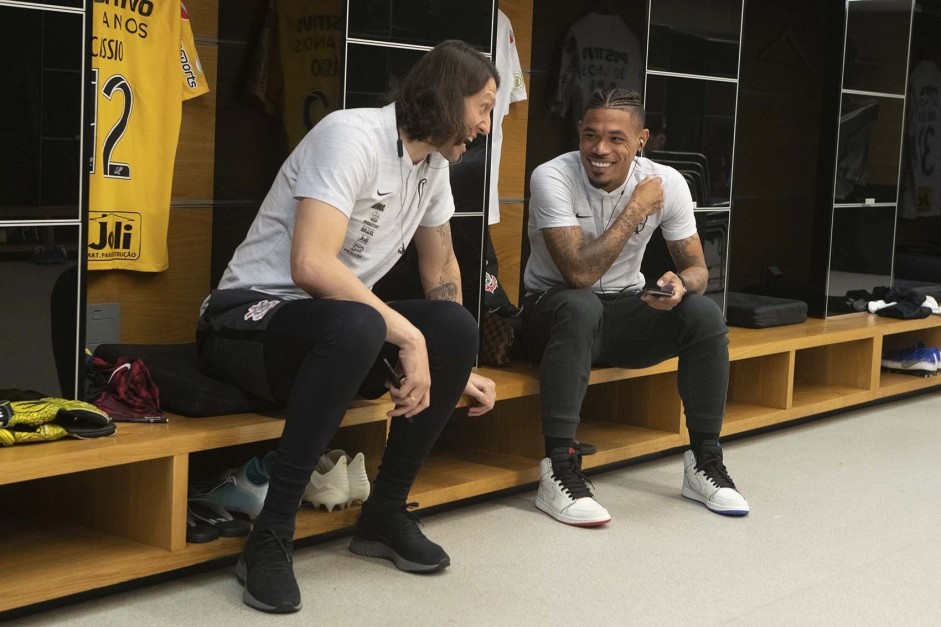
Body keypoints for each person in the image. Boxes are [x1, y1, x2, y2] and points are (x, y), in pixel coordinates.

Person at [197, 39, 499, 613]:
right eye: (482, 107)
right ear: (445, 97)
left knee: (453, 328)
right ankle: (270, 537)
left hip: (328, 327)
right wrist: (410, 339)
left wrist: (455, 364)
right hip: (244, 320)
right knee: (363, 325)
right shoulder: (351, 135)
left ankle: (384, 515)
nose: (486, 125)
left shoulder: (431, 166)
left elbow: (442, 269)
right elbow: (310, 265)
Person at [522, 88, 749, 528]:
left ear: (641, 140)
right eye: (590, 135)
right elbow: (579, 275)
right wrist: (635, 208)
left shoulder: (668, 182)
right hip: (551, 315)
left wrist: (679, 284)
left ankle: (705, 461)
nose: (599, 149)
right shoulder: (552, 176)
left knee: (704, 315)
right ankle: (559, 468)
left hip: (624, 309)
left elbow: (699, 268)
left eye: (615, 138)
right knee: (581, 305)